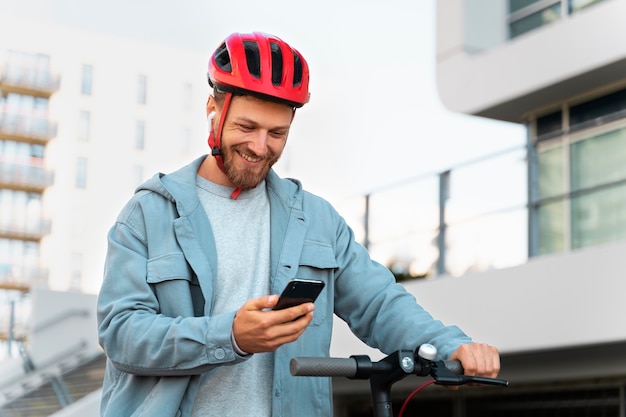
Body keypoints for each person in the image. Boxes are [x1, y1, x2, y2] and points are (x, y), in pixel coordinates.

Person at [97, 32, 500, 417]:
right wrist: (231, 336)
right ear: (213, 111)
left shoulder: (318, 220)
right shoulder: (149, 214)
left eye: (277, 133)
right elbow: (121, 332)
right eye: (246, 127)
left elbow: (380, 304)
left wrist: (451, 346)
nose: (260, 147)